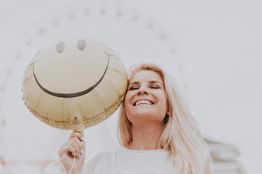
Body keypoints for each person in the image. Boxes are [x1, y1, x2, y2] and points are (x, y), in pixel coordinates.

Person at [58, 63, 213, 174]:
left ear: (170, 107)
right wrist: (74, 172)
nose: (142, 90)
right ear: (125, 108)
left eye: (154, 86)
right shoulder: (102, 164)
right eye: (133, 87)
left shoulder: (192, 162)